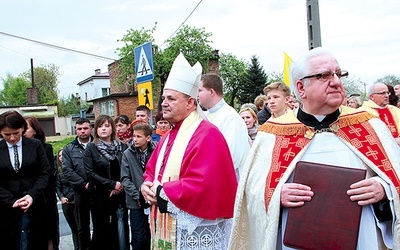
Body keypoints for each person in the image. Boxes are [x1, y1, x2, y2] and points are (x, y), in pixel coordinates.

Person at [229, 47, 400, 249]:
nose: (336, 82)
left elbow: (395, 176)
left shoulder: (369, 126)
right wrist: (276, 195)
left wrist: (384, 190)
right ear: (301, 88)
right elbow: (250, 191)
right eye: (324, 76)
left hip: (362, 237)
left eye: (339, 74)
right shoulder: (273, 134)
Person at [141, 53, 237, 249]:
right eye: (163, 98)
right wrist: (147, 184)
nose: (164, 103)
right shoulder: (169, 134)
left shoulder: (207, 134)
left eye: (171, 98)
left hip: (194, 229)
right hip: (167, 226)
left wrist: (160, 191)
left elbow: (203, 185)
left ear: (190, 103)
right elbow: (152, 169)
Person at [0, 110, 51, 249]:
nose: (12, 138)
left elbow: (45, 172)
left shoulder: (35, 145)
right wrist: (11, 200)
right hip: (7, 208)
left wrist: (31, 195)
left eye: (15, 133)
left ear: (22, 128)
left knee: (35, 242)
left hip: (35, 204)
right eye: (7, 135)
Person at [84, 115, 129, 250]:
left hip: (119, 194)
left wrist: (119, 185)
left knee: (119, 227)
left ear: (112, 129)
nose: (103, 129)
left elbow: (127, 168)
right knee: (101, 229)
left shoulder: (122, 147)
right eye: (100, 126)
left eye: (107, 126)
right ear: (96, 129)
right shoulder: (91, 148)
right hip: (99, 194)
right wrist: (111, 184)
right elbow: (90, 173)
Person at [198, 73, 250, 178]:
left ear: (211, 92)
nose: (197, 94)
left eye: (199, 90)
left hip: (226, 179)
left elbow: (232, 156)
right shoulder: (205, 115)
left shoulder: (230, 117)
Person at [24, 116, 59, 250]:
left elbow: (48, 173)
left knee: (48, 234)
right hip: (27, 196)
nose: (23, 132)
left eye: (27, 128)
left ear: (35, 130)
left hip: (44, 197)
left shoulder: (45, 148)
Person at [121, 123, 157, 250]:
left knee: (154, 234)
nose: (134, 139)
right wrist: (139, 196)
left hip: (154, 200)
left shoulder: (157, 150)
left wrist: (152, 194)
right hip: (136, 202)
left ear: (148, 138)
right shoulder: (127, 153)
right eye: (133, 136)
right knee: (139, 236)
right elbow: (125, 179)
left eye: (138, 136)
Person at [62, 117, 93, 250]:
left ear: (90, 129)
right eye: (79, 129)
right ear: (75, 130)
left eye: (85, 128)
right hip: (79, 191)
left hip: (97, 189)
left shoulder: (97, 145)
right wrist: (83, 183)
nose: (82, 131)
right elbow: (67, 170)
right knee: (82, 226)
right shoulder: (69, 148)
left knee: (101, 225)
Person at [55, 148, 79, 250]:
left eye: (63, 155)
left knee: (80, 228)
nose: (62, 158)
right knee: (73, 228)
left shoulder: (74, 169)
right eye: (60, 156)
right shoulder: (59, 173)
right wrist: (61, 197)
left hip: (76, 201)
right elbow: (57, 187)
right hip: (67, 203)